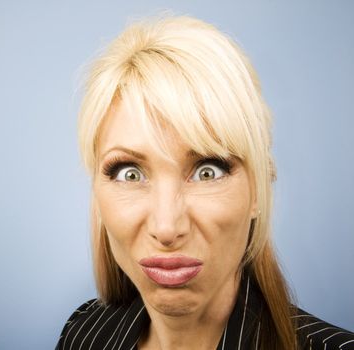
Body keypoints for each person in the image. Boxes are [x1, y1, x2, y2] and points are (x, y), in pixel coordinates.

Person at [56, 16, 354, 350]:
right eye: (130, 173)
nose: (167, 228)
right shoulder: (83, 333)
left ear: (258, 189)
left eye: (207, 170)